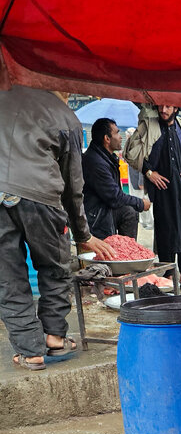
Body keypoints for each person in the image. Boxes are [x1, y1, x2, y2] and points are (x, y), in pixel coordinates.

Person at [0, 85, 113, 370]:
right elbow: (74, 187)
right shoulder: (66, 117)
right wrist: (82, 234)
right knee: (55, 268)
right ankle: (54, 337)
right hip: (43, 199)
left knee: (8, 278)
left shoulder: (4, 96)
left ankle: (30, 352)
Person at [125, 105, 181, 290]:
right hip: (162, 189)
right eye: (161, 106)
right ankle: (168, 276)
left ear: (176, 108)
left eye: (168, 106)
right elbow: (133, 153)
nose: (164, 110)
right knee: (165, 230)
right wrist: (149, 173)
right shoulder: (149, 127)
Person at [82, 118, 149, 240]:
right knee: (129, 212)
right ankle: (126, 250)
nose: (120, 137)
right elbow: (115, 197)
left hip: (103, 209)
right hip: (96, 216)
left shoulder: (105, 157)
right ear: (107, 139)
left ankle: (126, 249)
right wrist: (140, 203)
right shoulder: (96, 162)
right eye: (117, 133)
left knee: (129, 211)